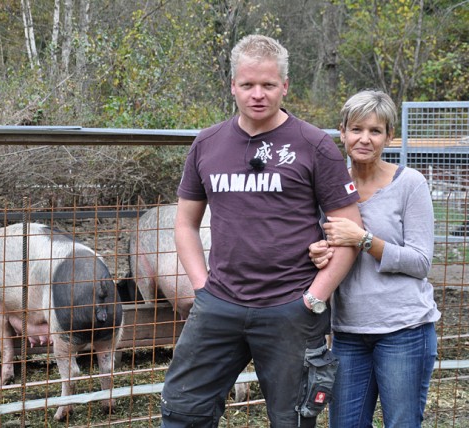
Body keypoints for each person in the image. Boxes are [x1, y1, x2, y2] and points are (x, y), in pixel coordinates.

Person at [160, 34, 363, 428]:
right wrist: (202, 287)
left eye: (268, 85)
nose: (258, 94)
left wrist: (313, 298)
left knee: (292, 419)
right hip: (218, 303)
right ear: (232, 85)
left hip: (290, 307)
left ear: (285, 86)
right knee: (183, 411)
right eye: (248, 84)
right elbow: (185, 223)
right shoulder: (207, 143)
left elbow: (350, 230)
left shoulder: (314, 145)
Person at [308, 90, 441, 428]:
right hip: (348, 331)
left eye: (375, 130)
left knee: (401, 423)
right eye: (356, 129)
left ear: (389, 136)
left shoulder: (409, 184)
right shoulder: (329, 189)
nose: (364, 138)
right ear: (342, 132)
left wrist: (365, 240)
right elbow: (325, 249)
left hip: (404, 329)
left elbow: (421, 262)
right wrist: (317, 253)